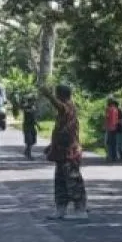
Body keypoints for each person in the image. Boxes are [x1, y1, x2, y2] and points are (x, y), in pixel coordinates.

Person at [42, 84, 88, 220]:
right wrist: (52, 145)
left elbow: (60, 106)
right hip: (60, 152)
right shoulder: (63, 114)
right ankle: (60, 209)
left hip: (70, 153)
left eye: (57, 95)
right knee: (60, 182)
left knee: (73, 181)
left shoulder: (68, 107)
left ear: (61, 95)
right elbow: (63, 131)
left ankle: (80, 210)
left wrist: (49, 96)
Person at [104, 98, 122, 163]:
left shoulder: (108, 109)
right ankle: (115, 157)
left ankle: (110, 156)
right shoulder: (116, 110)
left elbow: (107, 117)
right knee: (114, 143)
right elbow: (117, 120)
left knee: (109, 143)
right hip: (115, 128)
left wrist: (105, 126)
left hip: (109, 128)